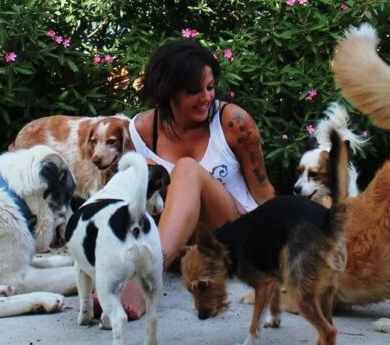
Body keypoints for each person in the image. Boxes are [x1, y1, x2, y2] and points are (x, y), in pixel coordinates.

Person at [112, 39, 277, 318]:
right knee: (147, 172)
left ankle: (147, 280)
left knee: (187, 170)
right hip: (187, 250)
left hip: (240, 236)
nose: (206, 97)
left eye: (210, 87)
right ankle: (148, 268)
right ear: (168, 92)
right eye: (194, 91)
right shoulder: (141, 130)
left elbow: (264, 193)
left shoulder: (234, 122)